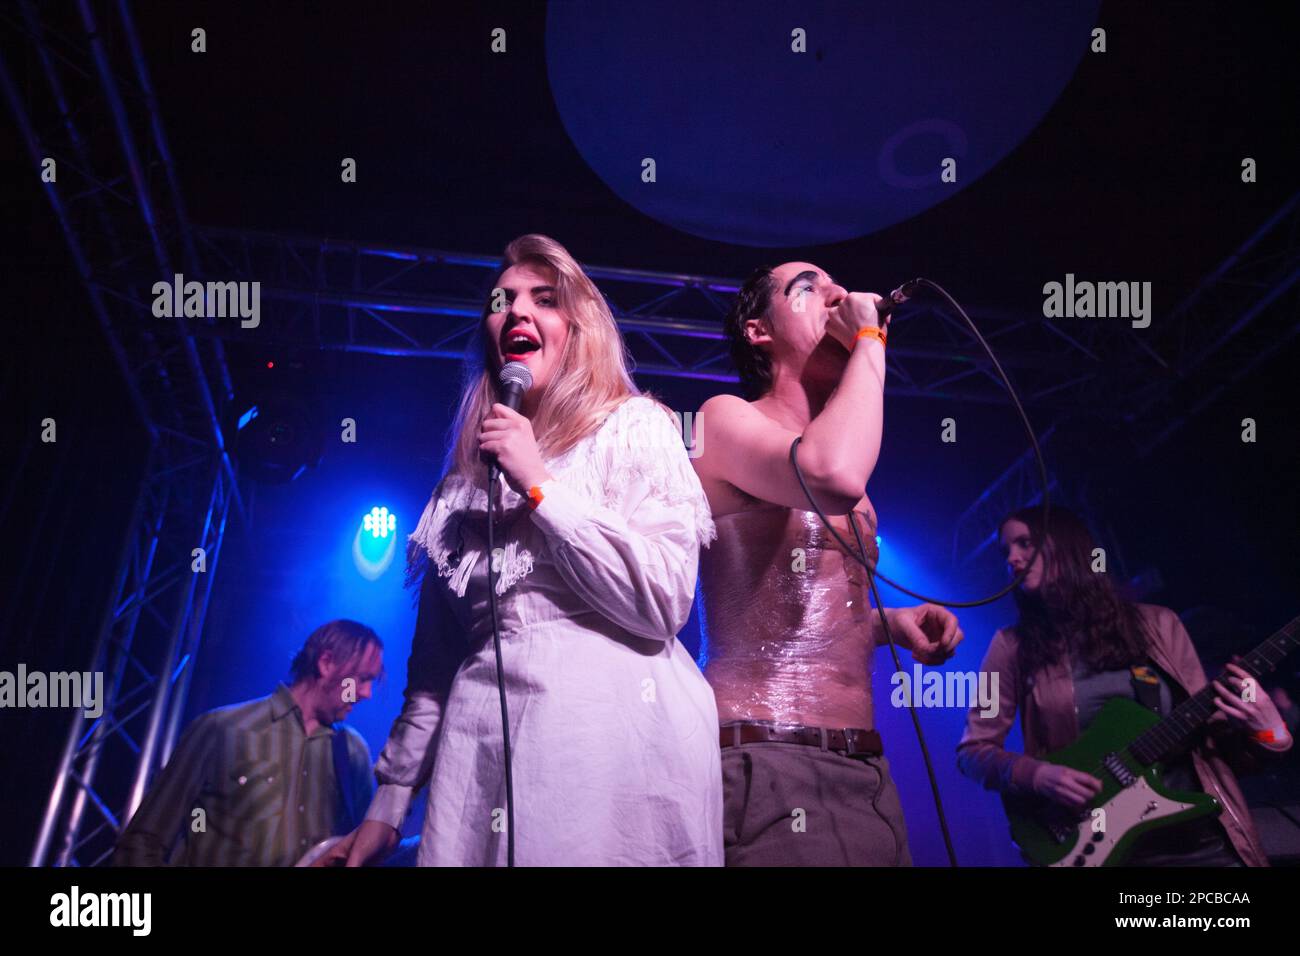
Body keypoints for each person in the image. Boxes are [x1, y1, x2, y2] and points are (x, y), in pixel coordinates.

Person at [328, 234, 722, 867]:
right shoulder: (458, 491)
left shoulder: (634, 428)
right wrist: (387, 804)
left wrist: (541, 485)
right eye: (502, 300)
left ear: (579, 328)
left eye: (545, 299)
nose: (517, 312)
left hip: (615, 748)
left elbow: (663, 602)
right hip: (483, 752)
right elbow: (431, 671)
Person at [690, 262, 963, 866]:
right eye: (810, 288)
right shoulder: (724, 419)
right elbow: (829, 477)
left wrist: (888, 625)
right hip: (766, 755)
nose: (840, 293)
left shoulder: (846, 451)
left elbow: (802, 613)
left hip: (865, 767)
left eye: (841, 285)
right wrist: (869, 337)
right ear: (759, 331)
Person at [957, 506, 1293, 866]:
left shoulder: (1160, 625)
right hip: (1097, 850)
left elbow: (1210, 740)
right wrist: (1037, 774)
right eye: (1006, 551)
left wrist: (1270, 735)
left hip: (1204, 844)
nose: (1013, 559)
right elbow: (973, 751)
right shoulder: (1009, 647)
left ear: (1067, 545)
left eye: (1024, 543)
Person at [113, 619, 383, 866]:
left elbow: (363, 851)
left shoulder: (352, 752)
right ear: (326, 663)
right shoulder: (223, 729)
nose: (367, 693)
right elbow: (143, 841)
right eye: (362, 679)